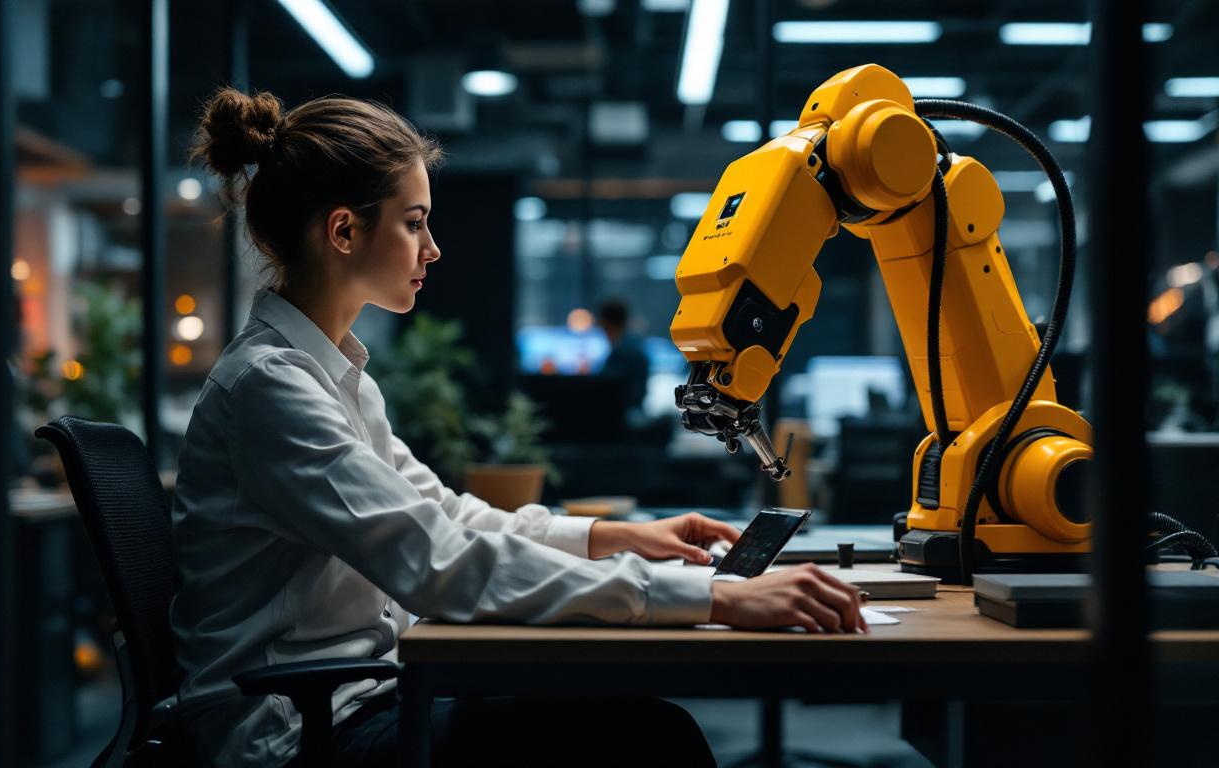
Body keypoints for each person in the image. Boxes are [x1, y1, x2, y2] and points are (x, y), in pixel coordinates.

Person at [172, 87, 867, 768]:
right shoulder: (271, 387)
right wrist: (713, 597)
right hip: (300, 734)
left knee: (629, 721)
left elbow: (445, 516)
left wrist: (612, 537)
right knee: (650, 740)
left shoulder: (332, 377)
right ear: (345, 231)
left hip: (361, 698)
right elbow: (438, 560)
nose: (433, 248)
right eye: (414, 222)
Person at [597, 298, 650, 416]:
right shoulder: (633, 344)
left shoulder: (623, 351)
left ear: (603, 323)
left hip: (622, 416)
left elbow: (604, 386)